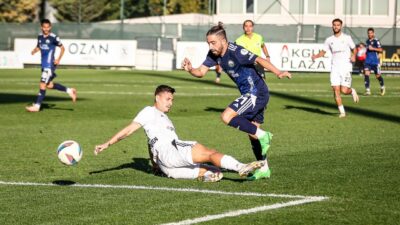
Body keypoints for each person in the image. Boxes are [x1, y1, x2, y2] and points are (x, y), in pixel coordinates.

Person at [181, 22, 291, 180]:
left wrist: (278, 72)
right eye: (208, 43)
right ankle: (264, 168)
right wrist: (190, 69)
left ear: (223, 41)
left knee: (227, 116)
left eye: (213, 43)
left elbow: (259, 59)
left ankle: (264, 135)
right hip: (252, 93)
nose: (210, 46)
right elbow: (201, 72)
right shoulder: (213, 54)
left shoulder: (236, 51)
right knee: (252, 134)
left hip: (256, 92)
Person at [94, 85, 265, 182]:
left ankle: (207, 175)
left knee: (213, 169)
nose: (170, 103)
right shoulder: (148, 111)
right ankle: (240, 167)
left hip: (166, 166)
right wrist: (107, 143)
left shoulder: (163, 120)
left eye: (172, 100)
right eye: (168, 99)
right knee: (209, 152)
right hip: (170, 151)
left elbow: (150, 142)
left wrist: (155, 165)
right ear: (157, 98)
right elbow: (128, 130)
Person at [25, 19, 76, 112]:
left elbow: (63, 48)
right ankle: (70, 91)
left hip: (49, 65)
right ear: (41, 27)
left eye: (48, 27)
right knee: (48, 85)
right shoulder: (40, 37)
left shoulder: (54, 38)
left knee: (42, 84)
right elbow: (39, 46)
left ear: (50, 27)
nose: (46, 29)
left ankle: (37, 106)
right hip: (44, 65)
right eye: (44, 27)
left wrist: (58, 59)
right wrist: (34, 50)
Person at [311, 18, 359, 118]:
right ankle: (342, 112)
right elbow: (323, 52)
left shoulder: (347, 38)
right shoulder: (329, 40)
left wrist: (354, 55)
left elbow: (354, 49)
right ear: (332, 26)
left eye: (338, 25)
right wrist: (316, 56)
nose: (336, 26)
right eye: (334, 25)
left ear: (341, 26)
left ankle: (352, 91)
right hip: (335, 68)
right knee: (335, 89)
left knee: (344, 90)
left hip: (345, 67)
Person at [364, 28, 385, 96]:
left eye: (371, 33)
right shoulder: (367, 41)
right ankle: (368, 90)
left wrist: (373, 48)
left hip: (375, 62)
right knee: (366, 74)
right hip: (368, 61)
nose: (369, 34)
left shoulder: (376, 41)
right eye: (368, 33)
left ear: (373, 33)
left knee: (377, 76)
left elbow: (381, 49)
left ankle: (382, 86)